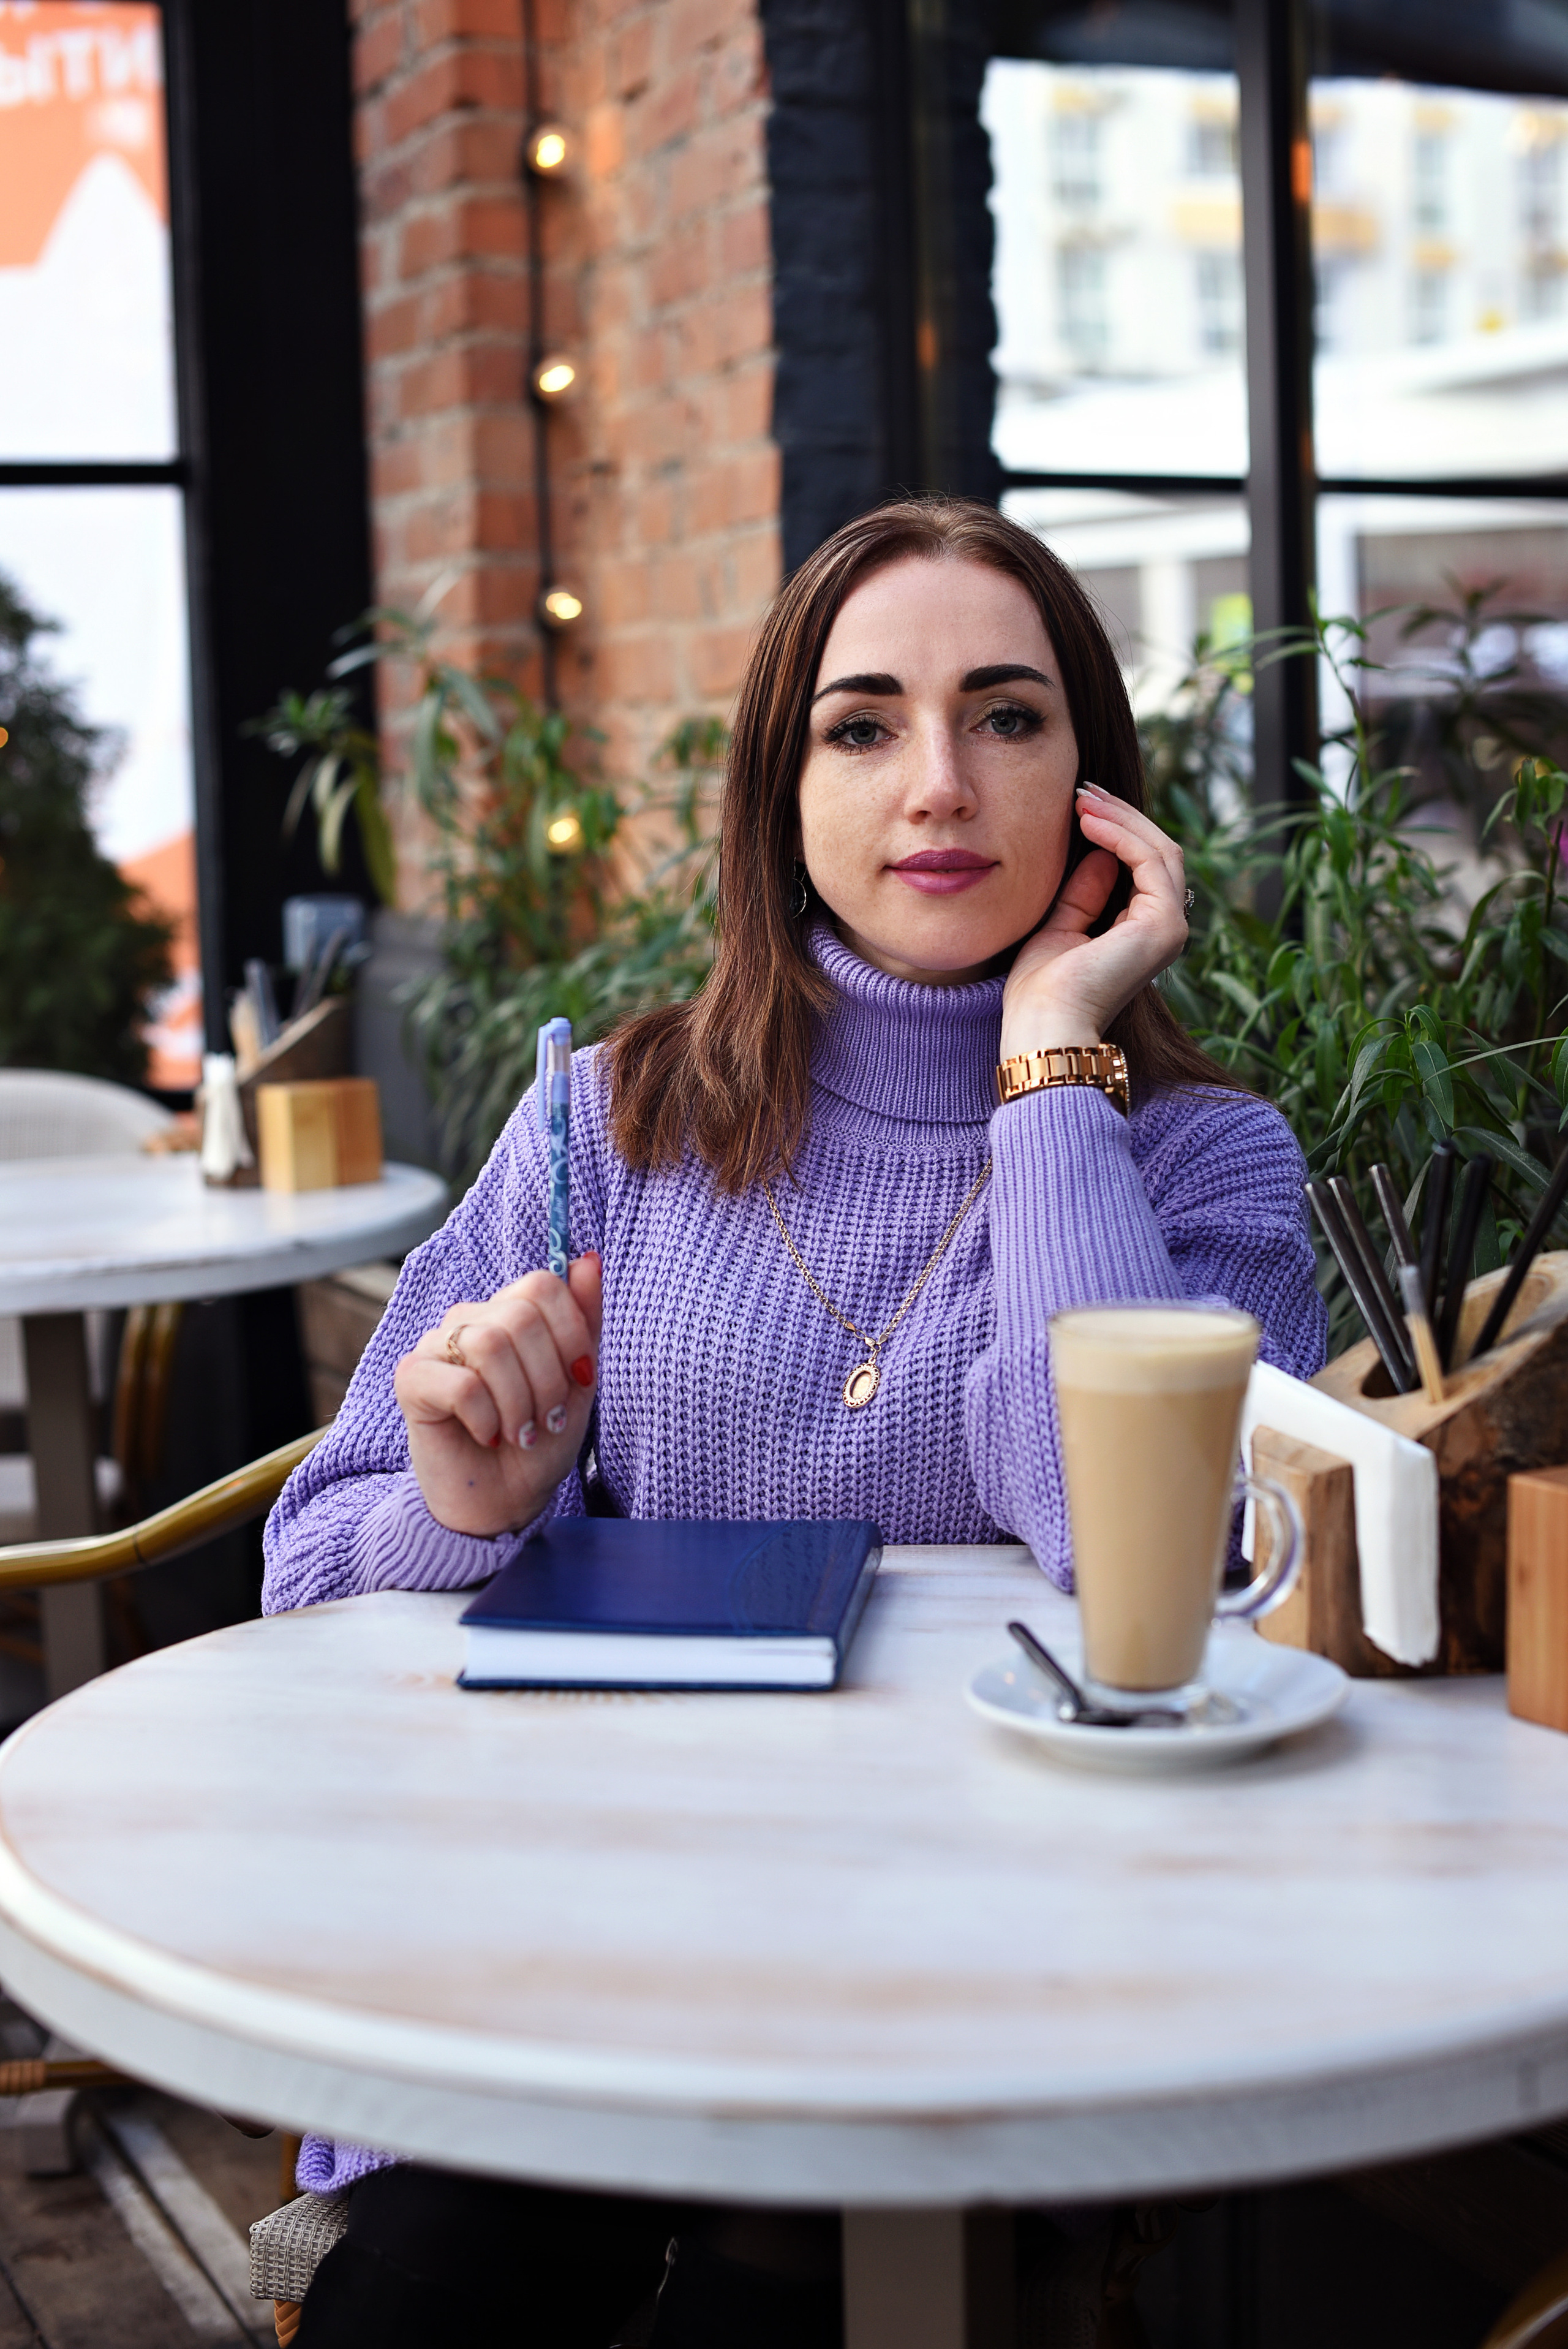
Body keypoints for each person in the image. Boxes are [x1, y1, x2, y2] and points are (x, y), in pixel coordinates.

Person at [266, 497, 1326, 2345]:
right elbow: (309, 1573)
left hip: (992, 1991)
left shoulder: (1206, 1163)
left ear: (1094, 779)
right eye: (862, 724)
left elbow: (1147, 1563)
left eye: (1007, 715)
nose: (938, 783)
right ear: (782, 783)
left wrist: (1054, 1058)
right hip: (584, 1960)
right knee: (417, 2311)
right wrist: (460, 1506)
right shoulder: (610, 1124)